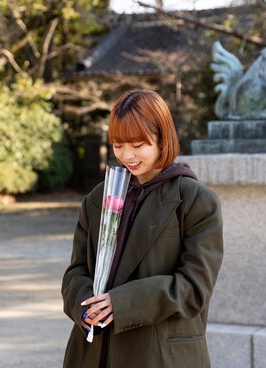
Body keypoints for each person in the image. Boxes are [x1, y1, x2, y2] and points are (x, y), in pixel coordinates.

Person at [61, 89, 223, 368]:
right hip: (94, 352)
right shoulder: (99, 198)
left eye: (138, 144)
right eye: (118, 145)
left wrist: (121, 303)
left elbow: (194, 287)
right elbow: (76, 272)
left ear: (163, 138)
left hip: (159, 354)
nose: (127, 155)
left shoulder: (195, 200)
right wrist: (86, 307)